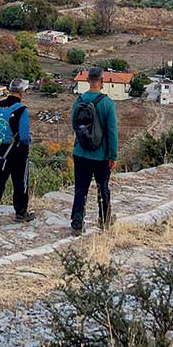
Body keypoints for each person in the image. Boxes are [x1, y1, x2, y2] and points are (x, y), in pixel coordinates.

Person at [69, 68, 120, 235]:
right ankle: (104, 219)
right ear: (102, 81)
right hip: (101, 156)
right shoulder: (108, 103)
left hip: (81, 153)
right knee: (102, 187)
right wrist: (113, 155)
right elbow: (112, 131)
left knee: (80, 189)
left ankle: (77, 222)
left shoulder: (79, 101)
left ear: (88, 80)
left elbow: (74, 125)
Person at [0, 88, 32, 225]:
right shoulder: (22, 110)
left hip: (0, 151)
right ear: (21, 93)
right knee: (20, 182)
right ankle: (21, 213)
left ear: (9, 91)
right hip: (18, 152)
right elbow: (24, 136)